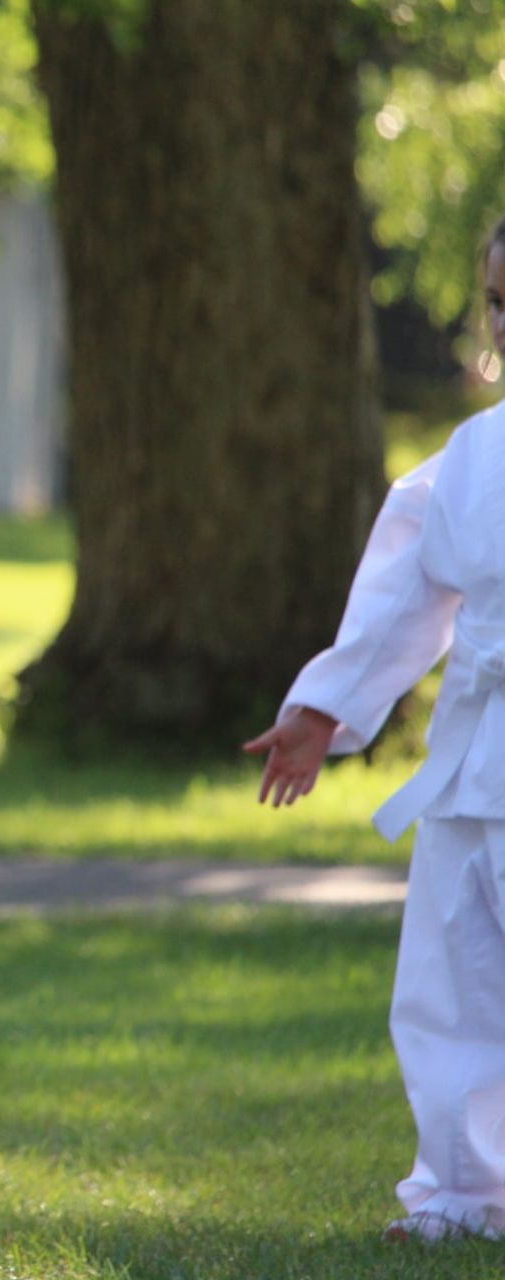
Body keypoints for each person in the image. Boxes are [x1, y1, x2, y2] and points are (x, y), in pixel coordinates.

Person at [245, 215, 505, 1243]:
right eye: (498, 302)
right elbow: (407, 591)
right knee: (450, 980)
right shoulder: (476, 455)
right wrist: (326, 704)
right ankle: (461, 1189)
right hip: (473, 761)